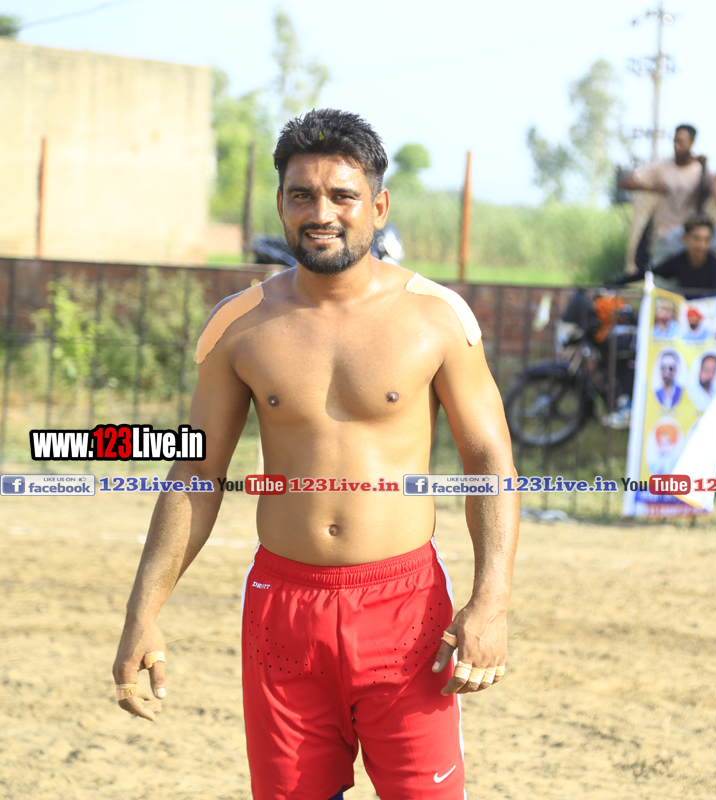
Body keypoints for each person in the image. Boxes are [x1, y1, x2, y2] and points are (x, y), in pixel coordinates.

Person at [112, 109, 520, 800]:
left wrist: (492, 602)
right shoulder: (238, 325)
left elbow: (490, 463)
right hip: (284, 611)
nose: (321, 213)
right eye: (302, 195)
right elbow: (197, 472)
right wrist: (142, 612)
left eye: (342, 196)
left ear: (378, 207)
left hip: (405, 610)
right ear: (281, 203)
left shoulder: (436, 317)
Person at [619, 123, 710, 265]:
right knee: (660, 275)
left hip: (688, 240)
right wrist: (652, 187)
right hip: (663, 237)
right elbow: (626, 182)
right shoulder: (661, 167)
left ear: (691, 142)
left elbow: (713, 190)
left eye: (681, 142)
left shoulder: (700, 170)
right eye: (674, 141)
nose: (676, 146)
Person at [618, 216, 716, 297]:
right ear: (685, 238)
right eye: (696, 238)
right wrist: (617, 284)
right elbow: (651, 271)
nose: (701, 245)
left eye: (706, 239)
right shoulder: (680, 261)